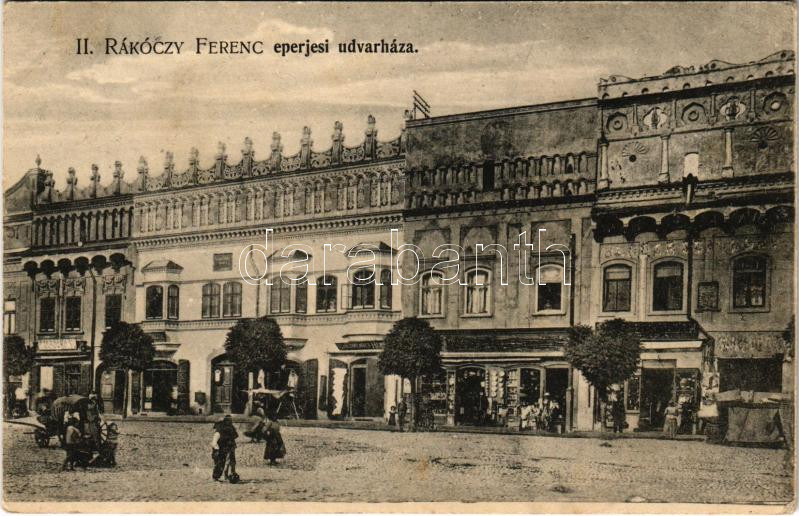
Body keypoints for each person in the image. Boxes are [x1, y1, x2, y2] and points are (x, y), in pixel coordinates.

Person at [211, 415, 238, 481]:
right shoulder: (220, 431)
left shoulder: (227, 429)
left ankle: (221, 476)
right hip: (221, 448)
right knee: (221, 463)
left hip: (225, 447)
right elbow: (214, 442)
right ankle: (219, 476)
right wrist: (216, 449)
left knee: (224, 462)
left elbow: (235, 435)